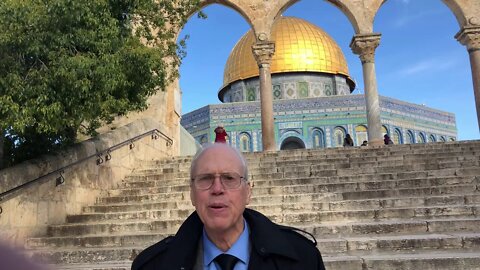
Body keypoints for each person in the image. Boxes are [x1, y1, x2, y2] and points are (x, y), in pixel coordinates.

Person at [132, 143, 326, 270]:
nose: (217, 189)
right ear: (191, 193)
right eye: (205, 178)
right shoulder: (152, 265)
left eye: (229, 178)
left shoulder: (303, 260)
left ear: (248, 192)